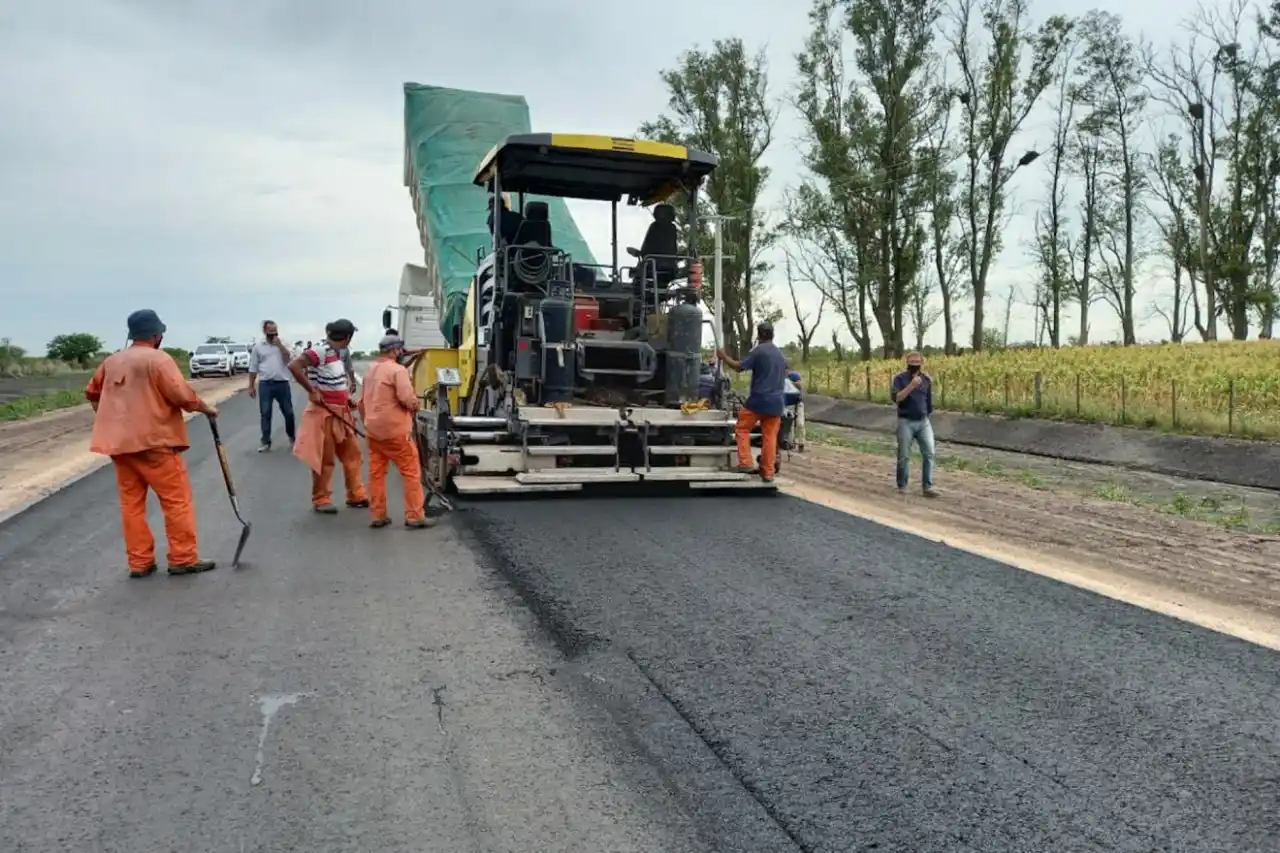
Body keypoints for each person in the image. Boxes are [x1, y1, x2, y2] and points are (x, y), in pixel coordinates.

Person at [84, 309, 220, 578]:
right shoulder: (159, 359)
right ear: (157, 335)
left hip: (121, 447)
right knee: (176, 502)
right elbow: (182, 395)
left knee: (131, 505)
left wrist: (110, 420)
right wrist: (206, 409)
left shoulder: (112, 361)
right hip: (156, 445)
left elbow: (92, 393)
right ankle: (183, 558)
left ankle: (139, 562)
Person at [289, 319, 369, 514]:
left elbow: (336, 381)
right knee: (325, 459)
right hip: (324, 413)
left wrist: (347, 398)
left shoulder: (336, 353)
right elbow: (294, 366)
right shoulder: (320, 351)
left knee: (353, 455)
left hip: (341, 412)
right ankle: (321, 498)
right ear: (348, 337)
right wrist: (311, 390)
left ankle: (356, 494)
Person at [359, 334, 430, 529]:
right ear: (395, 350)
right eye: (400, 350)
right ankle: (415, 515)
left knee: (376, 473)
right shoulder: (398, 370)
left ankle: (378, 515)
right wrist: (415, 405)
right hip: (395, 431)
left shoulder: (371, 369)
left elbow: (361, 402)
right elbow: (407, 398)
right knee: (411, 471)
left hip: (373, 430)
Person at [716, 321, 788, 482]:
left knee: (742, 428)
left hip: (759, 400)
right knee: (770, 437)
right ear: (772, 334)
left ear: (759, 334)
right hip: (777, 402)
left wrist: (724, 356)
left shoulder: (758, 351)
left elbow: (739, 367)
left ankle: (746, 463)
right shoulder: (780, 355)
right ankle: (768, 472)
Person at [891, 351, 939, 498]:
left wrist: (926, 413)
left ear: (922, 363)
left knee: (929, 453)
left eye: (917, 362)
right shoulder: (900, 379)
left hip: (923, 422)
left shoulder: (926, 380)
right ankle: (902, 485)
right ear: (907, 362)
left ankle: (927, 487)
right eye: (912, 362)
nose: (915, 364)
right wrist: (911, 386)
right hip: (906, 421)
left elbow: (928, 402)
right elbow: (897, 398)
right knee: (904, 455)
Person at [248, 320, 296, 453]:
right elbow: (253, 368)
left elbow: (289, 360)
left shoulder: (284, 344)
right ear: (265, 332)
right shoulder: (258, 347)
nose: (273, 335)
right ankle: (265, 441)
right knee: (265, 412)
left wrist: (280, 346)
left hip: (282, 383)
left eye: (275, 332)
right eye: (270, 333)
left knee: (288, 412)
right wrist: (251, 386)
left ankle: (292, 436)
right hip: (265, 384)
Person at [784, 368, 805, 451]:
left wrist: (789, 383)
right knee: (789, 425)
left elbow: (799, 384)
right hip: (787, 404)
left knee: (800, 423)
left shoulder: (794, 375)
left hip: (798, 403)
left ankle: (801, 442)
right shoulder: (779, 376)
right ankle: (791, 443)